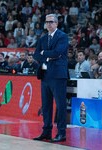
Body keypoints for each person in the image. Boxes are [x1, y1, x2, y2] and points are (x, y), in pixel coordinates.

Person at [33, 14, 68, 142]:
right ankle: (46, 131)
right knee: (46, 105)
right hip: (45, 75)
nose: (49, 24)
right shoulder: (42, 38)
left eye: (51, 22)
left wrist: (44, 53)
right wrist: (47, 55)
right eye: (47, 22)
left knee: (60, 105)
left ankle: (61, 133)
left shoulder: (62, 36)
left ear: (56, 23)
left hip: (58, 76)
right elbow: (36, 54)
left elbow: (58, 52)